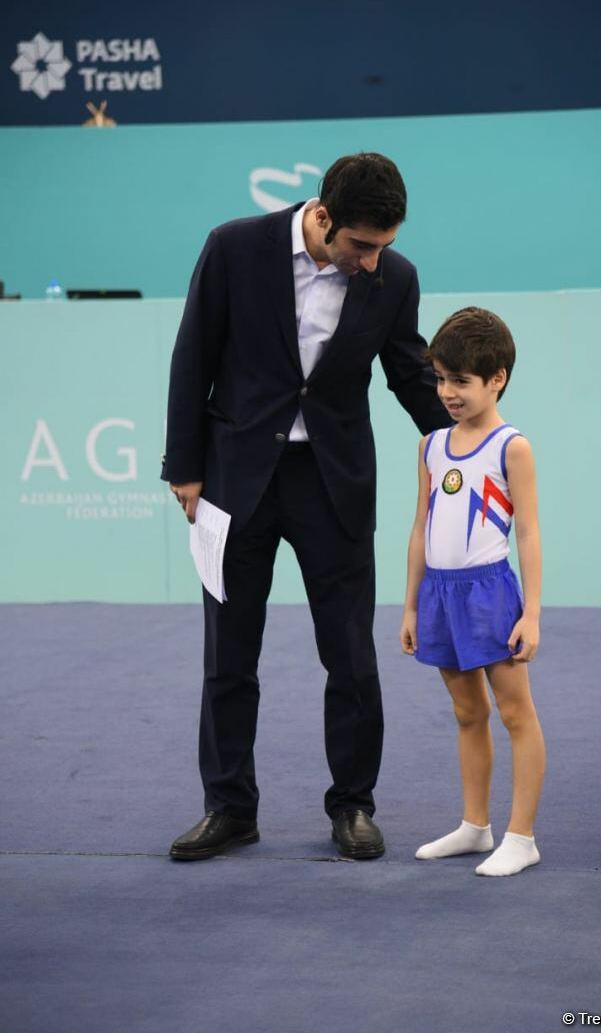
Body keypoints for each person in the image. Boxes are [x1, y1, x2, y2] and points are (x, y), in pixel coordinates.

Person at [163, 152, 447, 861]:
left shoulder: (395, 277)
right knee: (228, 657)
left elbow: (409, 373)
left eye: (383, 247)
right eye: (361, 246)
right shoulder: (233, 247)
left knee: (350, 657)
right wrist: (185, 467)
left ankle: (353, 806)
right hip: (236, 481)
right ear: (322, 217)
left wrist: (468, 448)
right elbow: (193, 355)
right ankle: (230, 809)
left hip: (334, 484)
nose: (372, 261)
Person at [400, 307, 546, 877]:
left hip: (489, 594)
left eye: (460, 381)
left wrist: (531, 614)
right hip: (439, 595)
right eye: (440, 379)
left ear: (497, 378)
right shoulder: (431, 446)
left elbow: (528, 533)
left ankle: (522, 836)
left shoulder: (512, 447)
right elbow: (420, 528)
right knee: (467, 712)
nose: (447, 392)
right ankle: (475, 825)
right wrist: (411, 605)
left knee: (515, 714)